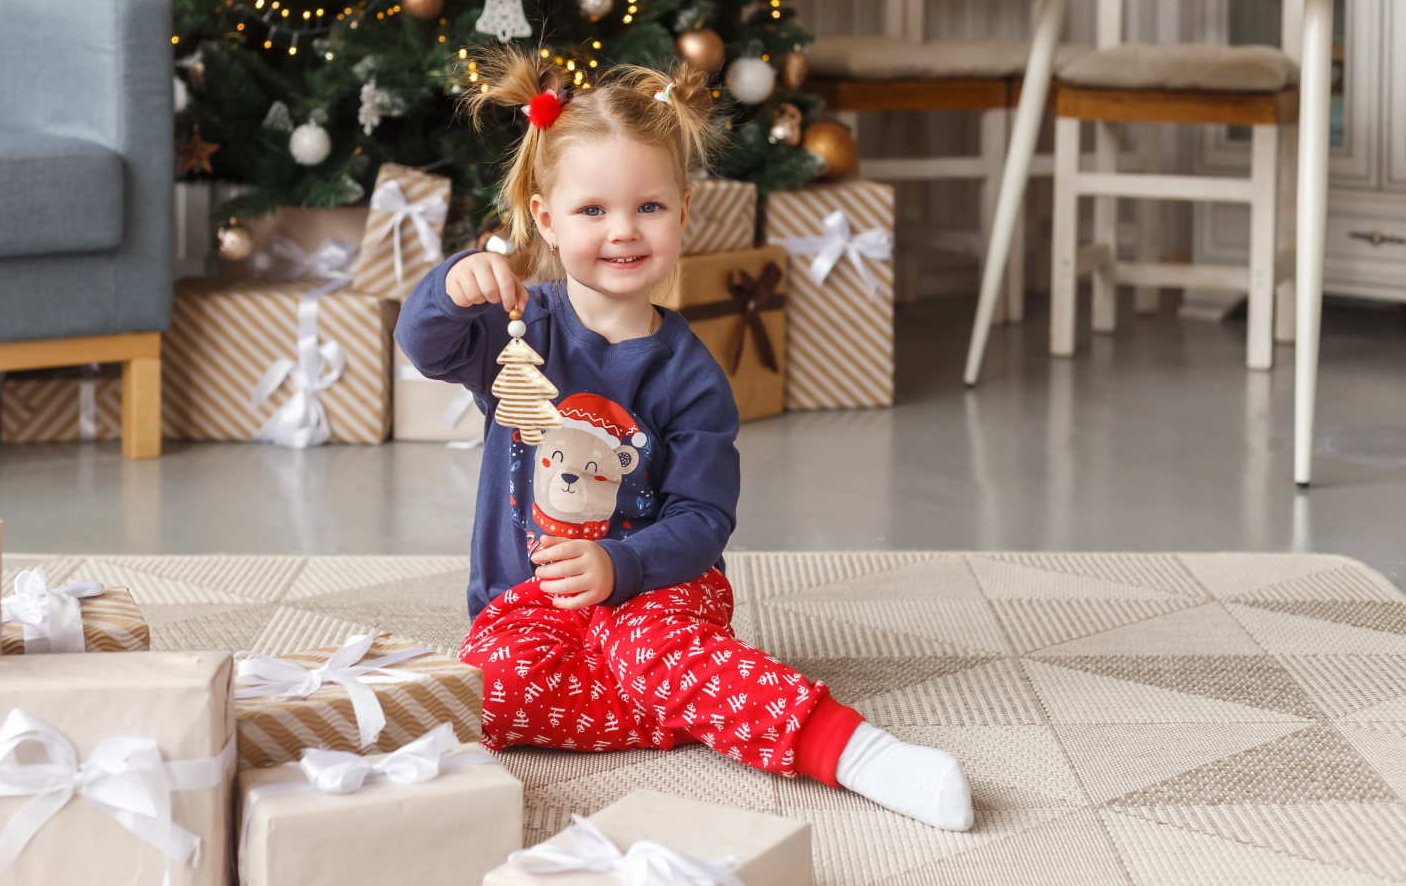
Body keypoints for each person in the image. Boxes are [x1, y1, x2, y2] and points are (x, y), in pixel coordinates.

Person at [394, 47, 973, 831]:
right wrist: (451, 283)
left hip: (657, 592)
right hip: (530, 604)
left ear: (684, 213)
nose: (623, 232)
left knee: (646, 649)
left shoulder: (692, 375)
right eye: (593, 210)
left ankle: (852, 751)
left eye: (649, 208)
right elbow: (424, 345)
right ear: (545, 218)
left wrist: (619, 564)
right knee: (484, 687)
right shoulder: (516, 331)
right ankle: (704, 707)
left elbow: (702, 520)